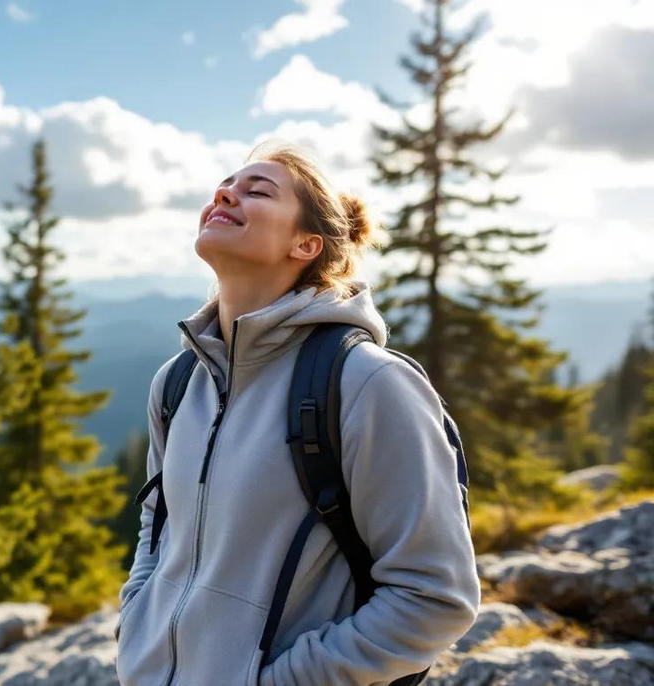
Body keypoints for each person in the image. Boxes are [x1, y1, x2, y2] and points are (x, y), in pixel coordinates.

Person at [113, 140, 480, 686]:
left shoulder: (368, 383)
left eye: (256, 190)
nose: (226, 193)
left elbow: (435, 597)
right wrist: (138, 624)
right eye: (226, 184)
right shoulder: (178, 382)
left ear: (306, 244)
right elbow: (158, 518)